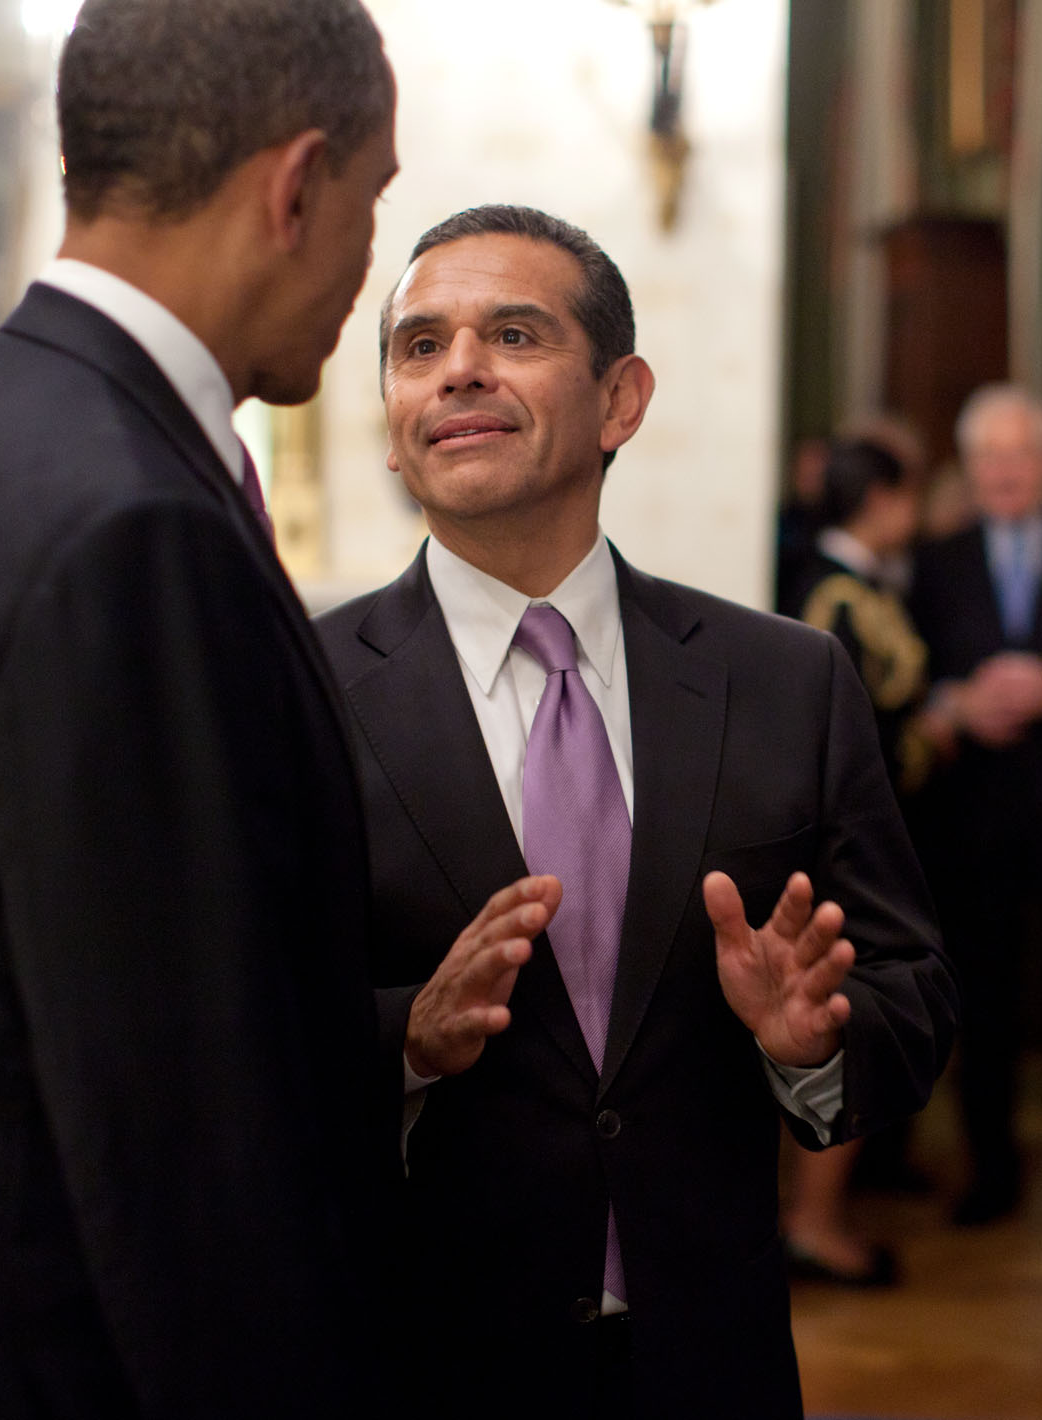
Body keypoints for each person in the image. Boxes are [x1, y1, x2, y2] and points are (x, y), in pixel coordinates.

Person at [0, 4, 401, 1416]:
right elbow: (187, 1142)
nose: (373, 266)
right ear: (297, 187)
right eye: (375, 201)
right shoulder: (136, 529)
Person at [315, 205, 958, 1420]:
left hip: (705, 1362)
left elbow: (913, 989)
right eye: (418, 345)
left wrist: (808, 1040)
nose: (459, 367)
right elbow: (226, 1032)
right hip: (414, 1358)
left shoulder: (787, 682)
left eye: (512, 333)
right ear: (395, 432)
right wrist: (405, 1039)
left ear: (622, 401)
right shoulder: (292, 688)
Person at [905, 385, 1042, 1231]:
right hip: (970, 816)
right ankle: (992, 1173)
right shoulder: (934, 559)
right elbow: (904, 681)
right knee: (980, 1004)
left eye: (1020, 454)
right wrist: (956, 705)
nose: (1005, 471)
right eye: (988, 456)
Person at [776, 436, 937, 1285]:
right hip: (845, 841)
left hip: (877, 829)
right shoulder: (833, 592)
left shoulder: (862, 582)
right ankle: (814, 1219)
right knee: (841, 1013)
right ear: (879, 498)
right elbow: (842, 728)